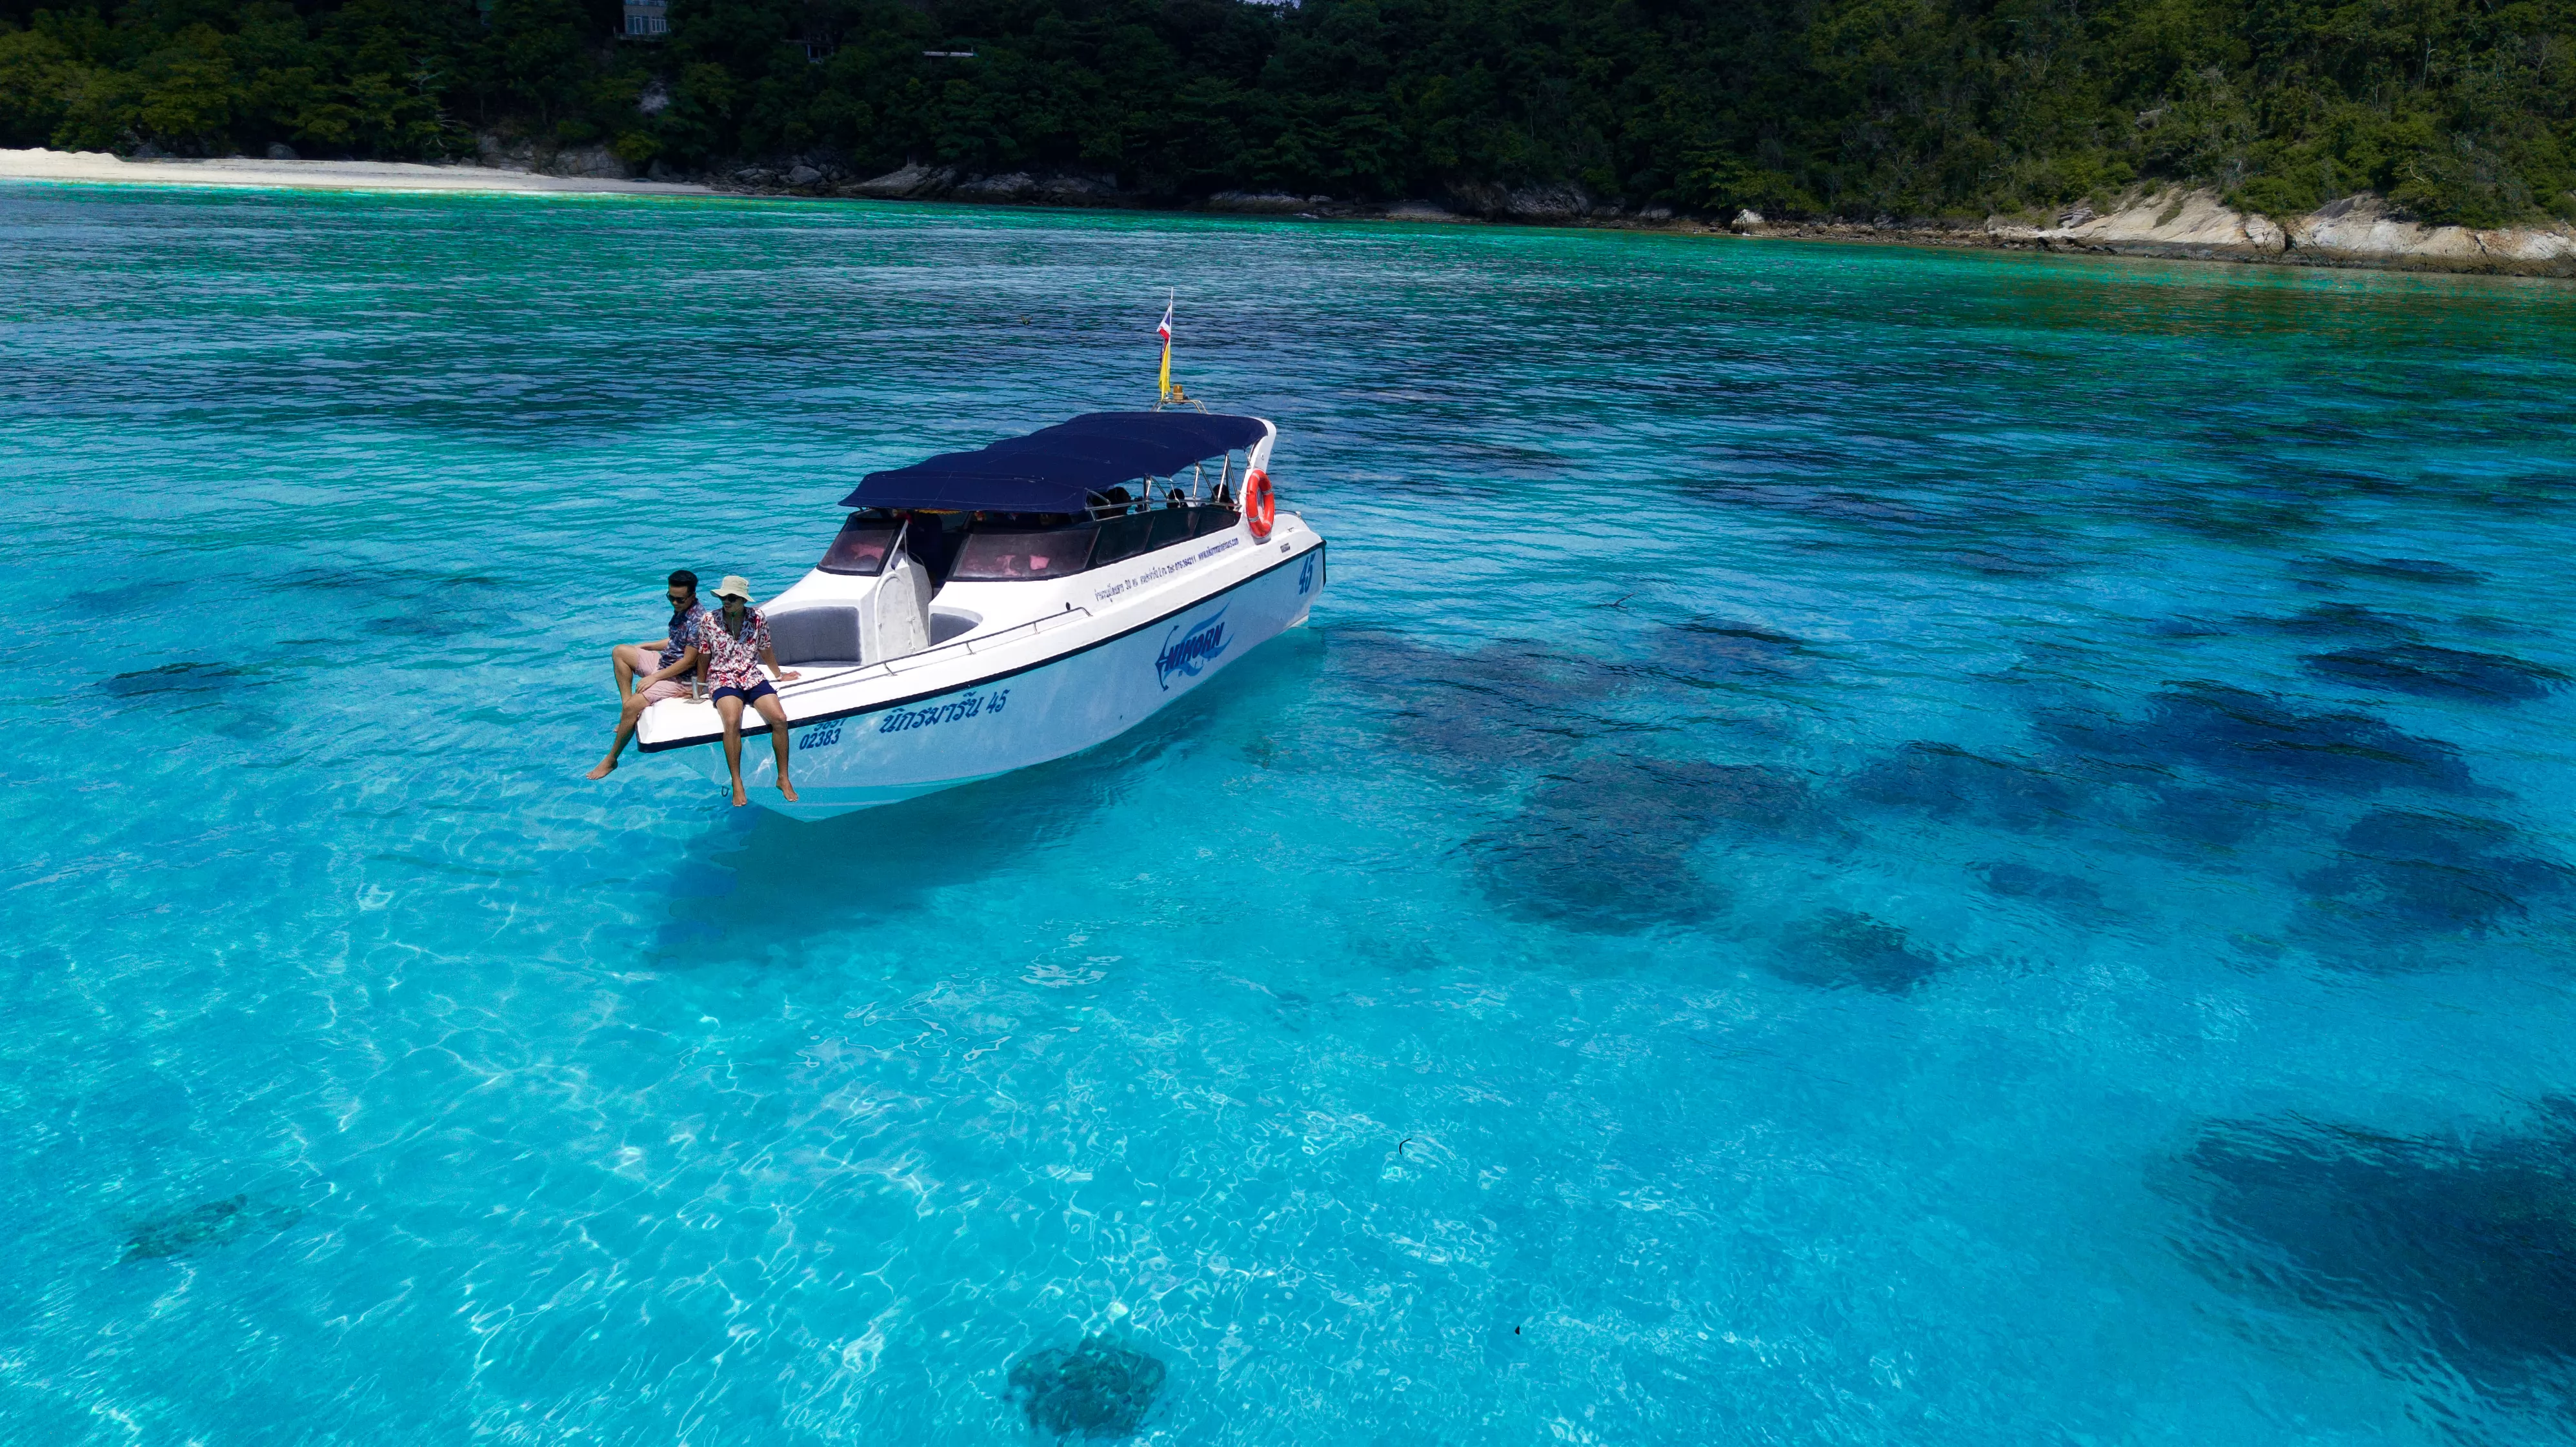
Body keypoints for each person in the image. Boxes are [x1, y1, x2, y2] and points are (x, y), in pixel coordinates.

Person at [663, 574, 801, 807]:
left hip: (750, 675)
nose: (726, 602)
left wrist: (778, 675)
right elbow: (704, 655)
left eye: (732, 598)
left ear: (743, 600)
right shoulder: (710, 620)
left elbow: (765, 648)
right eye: (724, 597)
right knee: (731, 720)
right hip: (722, 677)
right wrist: (700, 687)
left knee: (779, 718)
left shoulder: (757, 618)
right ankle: (737, 782)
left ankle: (783, 778)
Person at [589, 570, 708, 780]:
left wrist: (655, 677)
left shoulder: (699, 621)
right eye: (670, 597)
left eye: (679, 599)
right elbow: (676, 641)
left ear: (692, 596)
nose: (674, 602)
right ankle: (627, 716)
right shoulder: (682, 610)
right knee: (620, 652)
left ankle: (612, 759)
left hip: (681, 678)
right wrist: (650, 646)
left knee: (634, 705)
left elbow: (689, 660)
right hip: (666, 663)